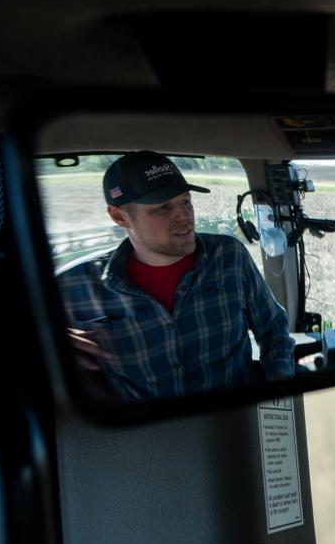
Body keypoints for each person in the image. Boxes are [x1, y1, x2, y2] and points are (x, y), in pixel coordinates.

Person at [56, 151, 295, 402]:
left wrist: (278, 390)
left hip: (233, 424)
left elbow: (273, 328)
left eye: (185, 201)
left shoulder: (229, 257)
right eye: (163, 208)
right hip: (140, 437)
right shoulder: (72, 287)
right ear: (119, 216)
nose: (184, 216)